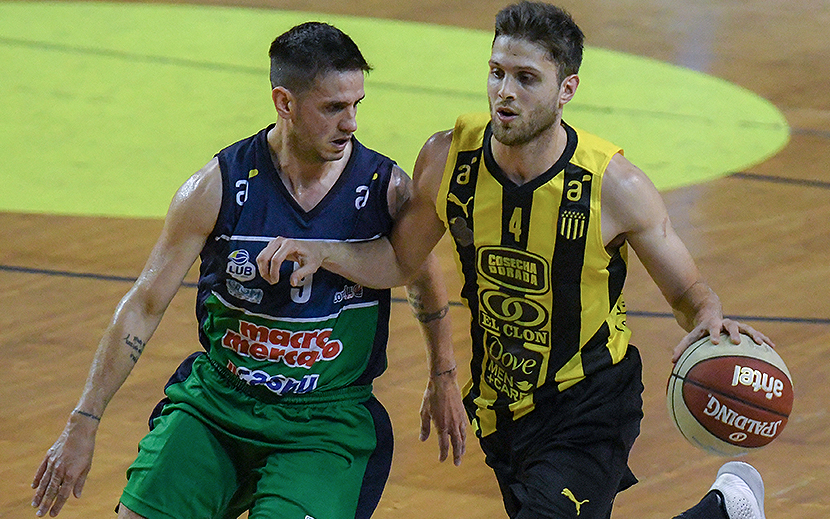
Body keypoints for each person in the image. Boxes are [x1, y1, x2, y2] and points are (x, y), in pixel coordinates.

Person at [254, 3, 774, 519]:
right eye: (497, 72)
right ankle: (724, 512)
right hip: (501, 404)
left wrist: (708, 316)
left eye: (526, 79)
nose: (505, 91)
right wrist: (325, 252)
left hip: (590, 402)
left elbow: (686, 292)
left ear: (566, 90)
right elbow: (398, 261)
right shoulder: (448, 160)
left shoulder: (615, 187)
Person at [31, 22, 467, 519]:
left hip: (324, 421)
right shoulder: (217, 187)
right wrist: (84, 421)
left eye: (356, 105)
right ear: (285, 103)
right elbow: (143, 306)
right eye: (333, 108)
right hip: (219, 403)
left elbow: (422, 279)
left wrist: (443, 375)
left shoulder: (385, 189)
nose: (350, 124)